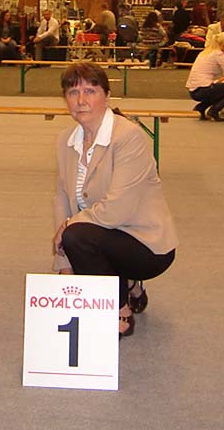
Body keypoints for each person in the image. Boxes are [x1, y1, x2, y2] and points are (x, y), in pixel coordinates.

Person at [53, 62, 177, 338]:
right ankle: (127, 283)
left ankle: (120, 310)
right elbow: (62, 196)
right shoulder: (65, 140)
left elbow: (116, 210)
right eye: (73, 92)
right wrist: (63, 264)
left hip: (147, 245)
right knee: (77, 237)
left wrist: (69, 227)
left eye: (90, 91)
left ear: (106, 96)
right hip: (105, 235)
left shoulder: (129, 137)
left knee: (77, 236)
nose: (81, 100)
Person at [185, 31, 224, 122]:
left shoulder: (206, 52)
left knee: (221, 89)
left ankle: (201, 108)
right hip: (203, 89)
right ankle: (214, 110)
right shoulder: (219, 54)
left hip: (194, 91)